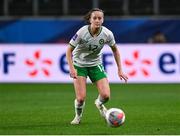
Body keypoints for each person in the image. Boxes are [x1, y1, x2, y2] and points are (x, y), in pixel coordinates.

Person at [66, 8, 128, 125]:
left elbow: (115, 50)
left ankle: (99, 103)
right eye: (95, 18)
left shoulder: (107, 34)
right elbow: (69, 50)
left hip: (95, 65)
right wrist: (71, 68)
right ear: (90, 19)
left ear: (103, 20)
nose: (97, 20)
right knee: (80, 98)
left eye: (100, 18)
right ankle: (78, 117)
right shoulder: (82, 32)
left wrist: (120, 70)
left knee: (106, 96)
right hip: (79, 65)